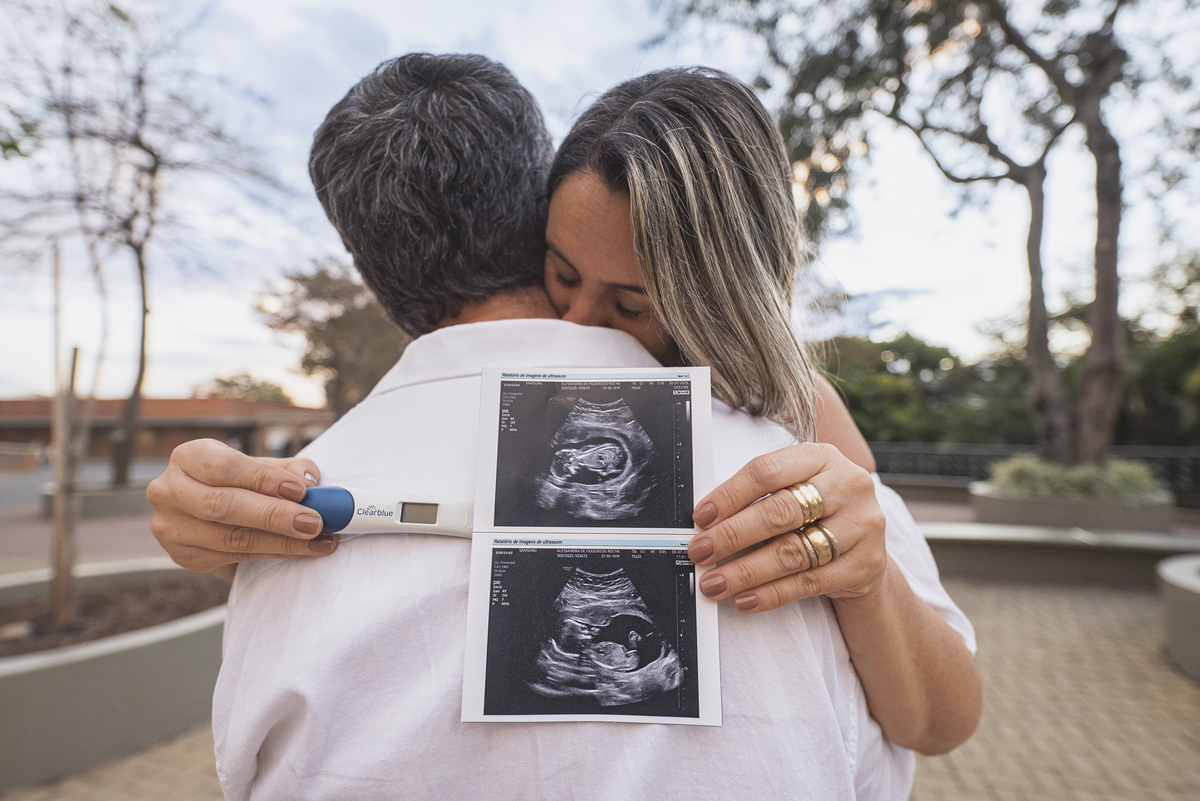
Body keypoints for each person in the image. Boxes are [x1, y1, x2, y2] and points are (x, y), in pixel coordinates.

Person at [148, 54, 980, 800]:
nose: (582, 325)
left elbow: (942, 722)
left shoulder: (802, 431)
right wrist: (212, 521)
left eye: (631, 304)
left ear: (719, 296)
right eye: (563, 273)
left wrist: (867, 573)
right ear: (532, 225)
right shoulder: (373, 445)